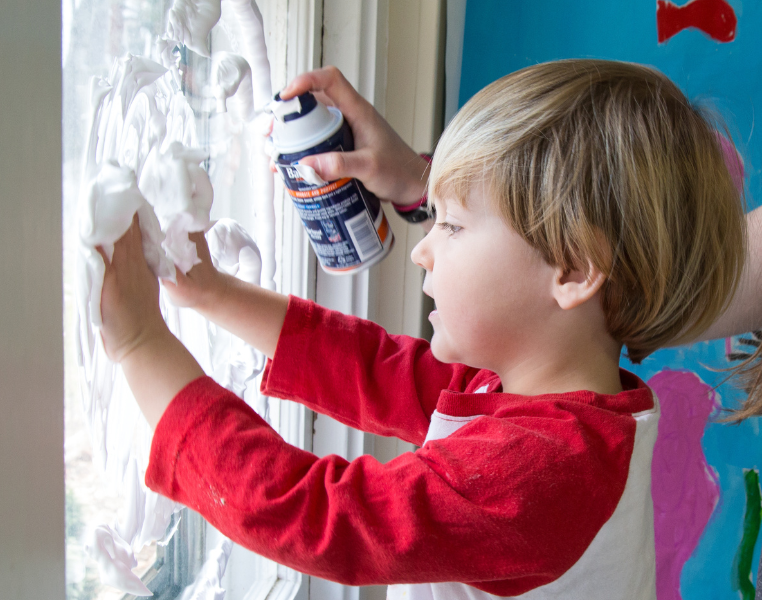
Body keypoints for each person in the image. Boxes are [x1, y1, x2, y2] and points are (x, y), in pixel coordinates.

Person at [97, 60, 745, 598]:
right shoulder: (550, 397)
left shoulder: (543, 470)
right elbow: (374, 370)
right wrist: (211, 292)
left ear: (574, 270)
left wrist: (140, 346)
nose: (421, 249)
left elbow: (319, 518)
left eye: (451, 225)